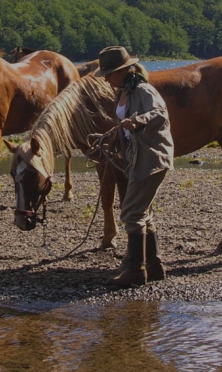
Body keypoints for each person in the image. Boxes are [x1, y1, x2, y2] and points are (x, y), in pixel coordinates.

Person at [95, 45, 174, 287]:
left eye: (111, 73)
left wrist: (138, 121)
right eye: (106, 73)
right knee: (142, 212)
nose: (107, 78)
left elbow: (159, 114)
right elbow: (124, 124)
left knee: (131, 211)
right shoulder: (123, 92)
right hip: (137, 158)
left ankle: (136, 271)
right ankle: (154, 265)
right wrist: (113, 136)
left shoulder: (143, 89)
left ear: (127, 70)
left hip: (151, 158)